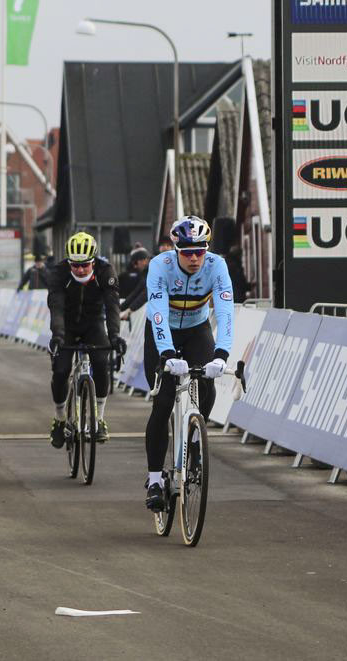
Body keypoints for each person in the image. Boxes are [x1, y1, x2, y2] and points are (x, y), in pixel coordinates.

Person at [142, 215, 235, 514]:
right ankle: (155, 479)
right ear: (176, 249)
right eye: (188, 252)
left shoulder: (216, 265)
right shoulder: (160, 266)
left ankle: (195, 441)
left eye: (200, 251)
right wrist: (167, 355)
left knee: (206, 384)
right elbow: (157, 312)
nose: (195, 258)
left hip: (197, 329)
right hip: (162, 332)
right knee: (163, 402)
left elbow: (225, 309)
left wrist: (222, 354)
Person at [47, 232, 125, 447]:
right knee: (61, 371)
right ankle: (60, 418)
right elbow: (56, 308)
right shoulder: (59, 273)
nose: (80, 269)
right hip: (68, 326)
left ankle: (99, 419)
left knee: (101, 364)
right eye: (75, 265)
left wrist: (115, 336)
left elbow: (112, 306)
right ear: (69, 262)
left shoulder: (105, 271)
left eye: (85, 265)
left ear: (94, 261)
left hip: (93, 324)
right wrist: (58, 335)